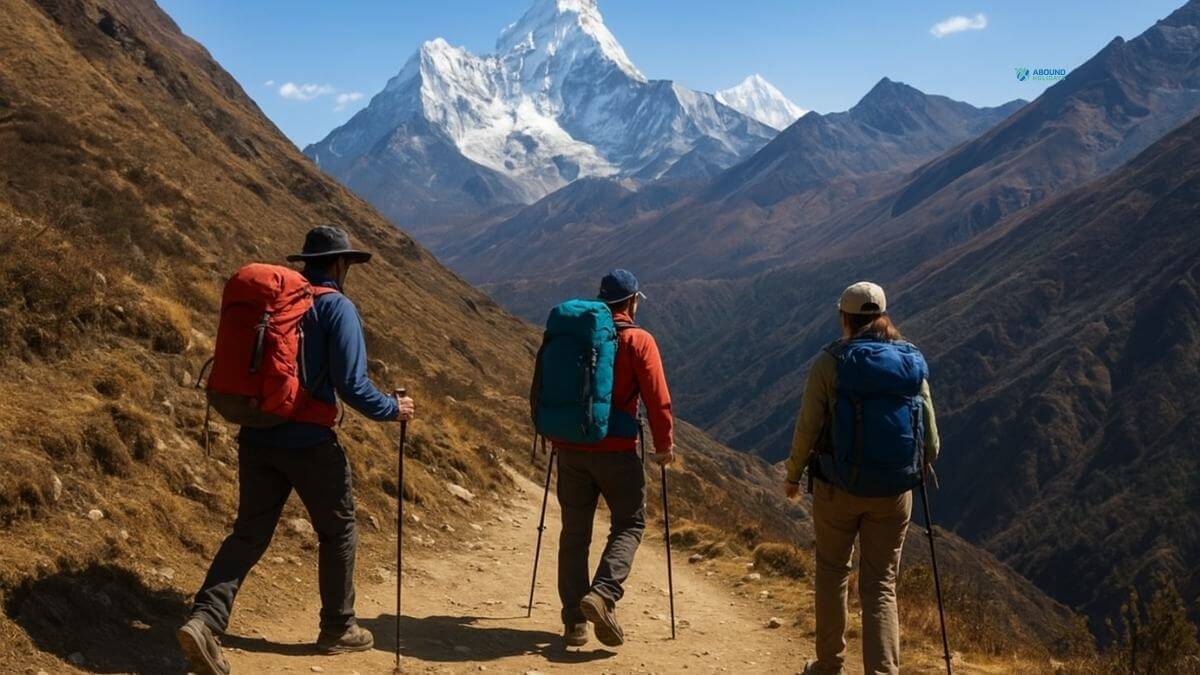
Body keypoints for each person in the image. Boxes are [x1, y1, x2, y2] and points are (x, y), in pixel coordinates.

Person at [177, 225, 416, 675]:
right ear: (341, 263)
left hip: (257, 434)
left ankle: (205, 620)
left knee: (248, 533)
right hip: (310, 443)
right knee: (338, 529)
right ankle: (338, 627)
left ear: (306, 263)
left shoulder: (280, 305)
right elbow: (353, 385)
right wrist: (393, 408)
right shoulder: (337, 307)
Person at [784, 281, 940, 675]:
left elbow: (808, 426)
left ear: (845, 318)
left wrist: (793, 475)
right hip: (893, 491)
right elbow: (932, 439)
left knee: (833, 571)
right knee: (881, 585)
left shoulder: (830, 362)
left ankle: (828, 664)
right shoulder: (909, 361)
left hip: (838, 487)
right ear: (884, 316)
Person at [552, 269, 675, 649]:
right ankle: (603, 594)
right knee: (630, 523)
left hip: (570, 448)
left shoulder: (576, 334)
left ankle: (575, 622)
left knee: (575, 533)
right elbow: (657, 398)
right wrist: (664, 445)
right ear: (633, 301)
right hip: (617, 451)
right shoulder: (638, 340)